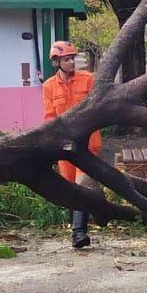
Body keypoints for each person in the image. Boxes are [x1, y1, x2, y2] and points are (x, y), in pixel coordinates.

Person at [42, 40, 100, 249]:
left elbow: (97, 109)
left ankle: (79, 233)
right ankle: (76, 228)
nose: (72, 63)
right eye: (67, 59)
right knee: (69, 189)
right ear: (57, 62)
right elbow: (50, 117)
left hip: (88, 144)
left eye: (73, 58)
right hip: (64, 147)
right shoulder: (49, 86)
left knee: (82, 186)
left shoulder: (88, 80)